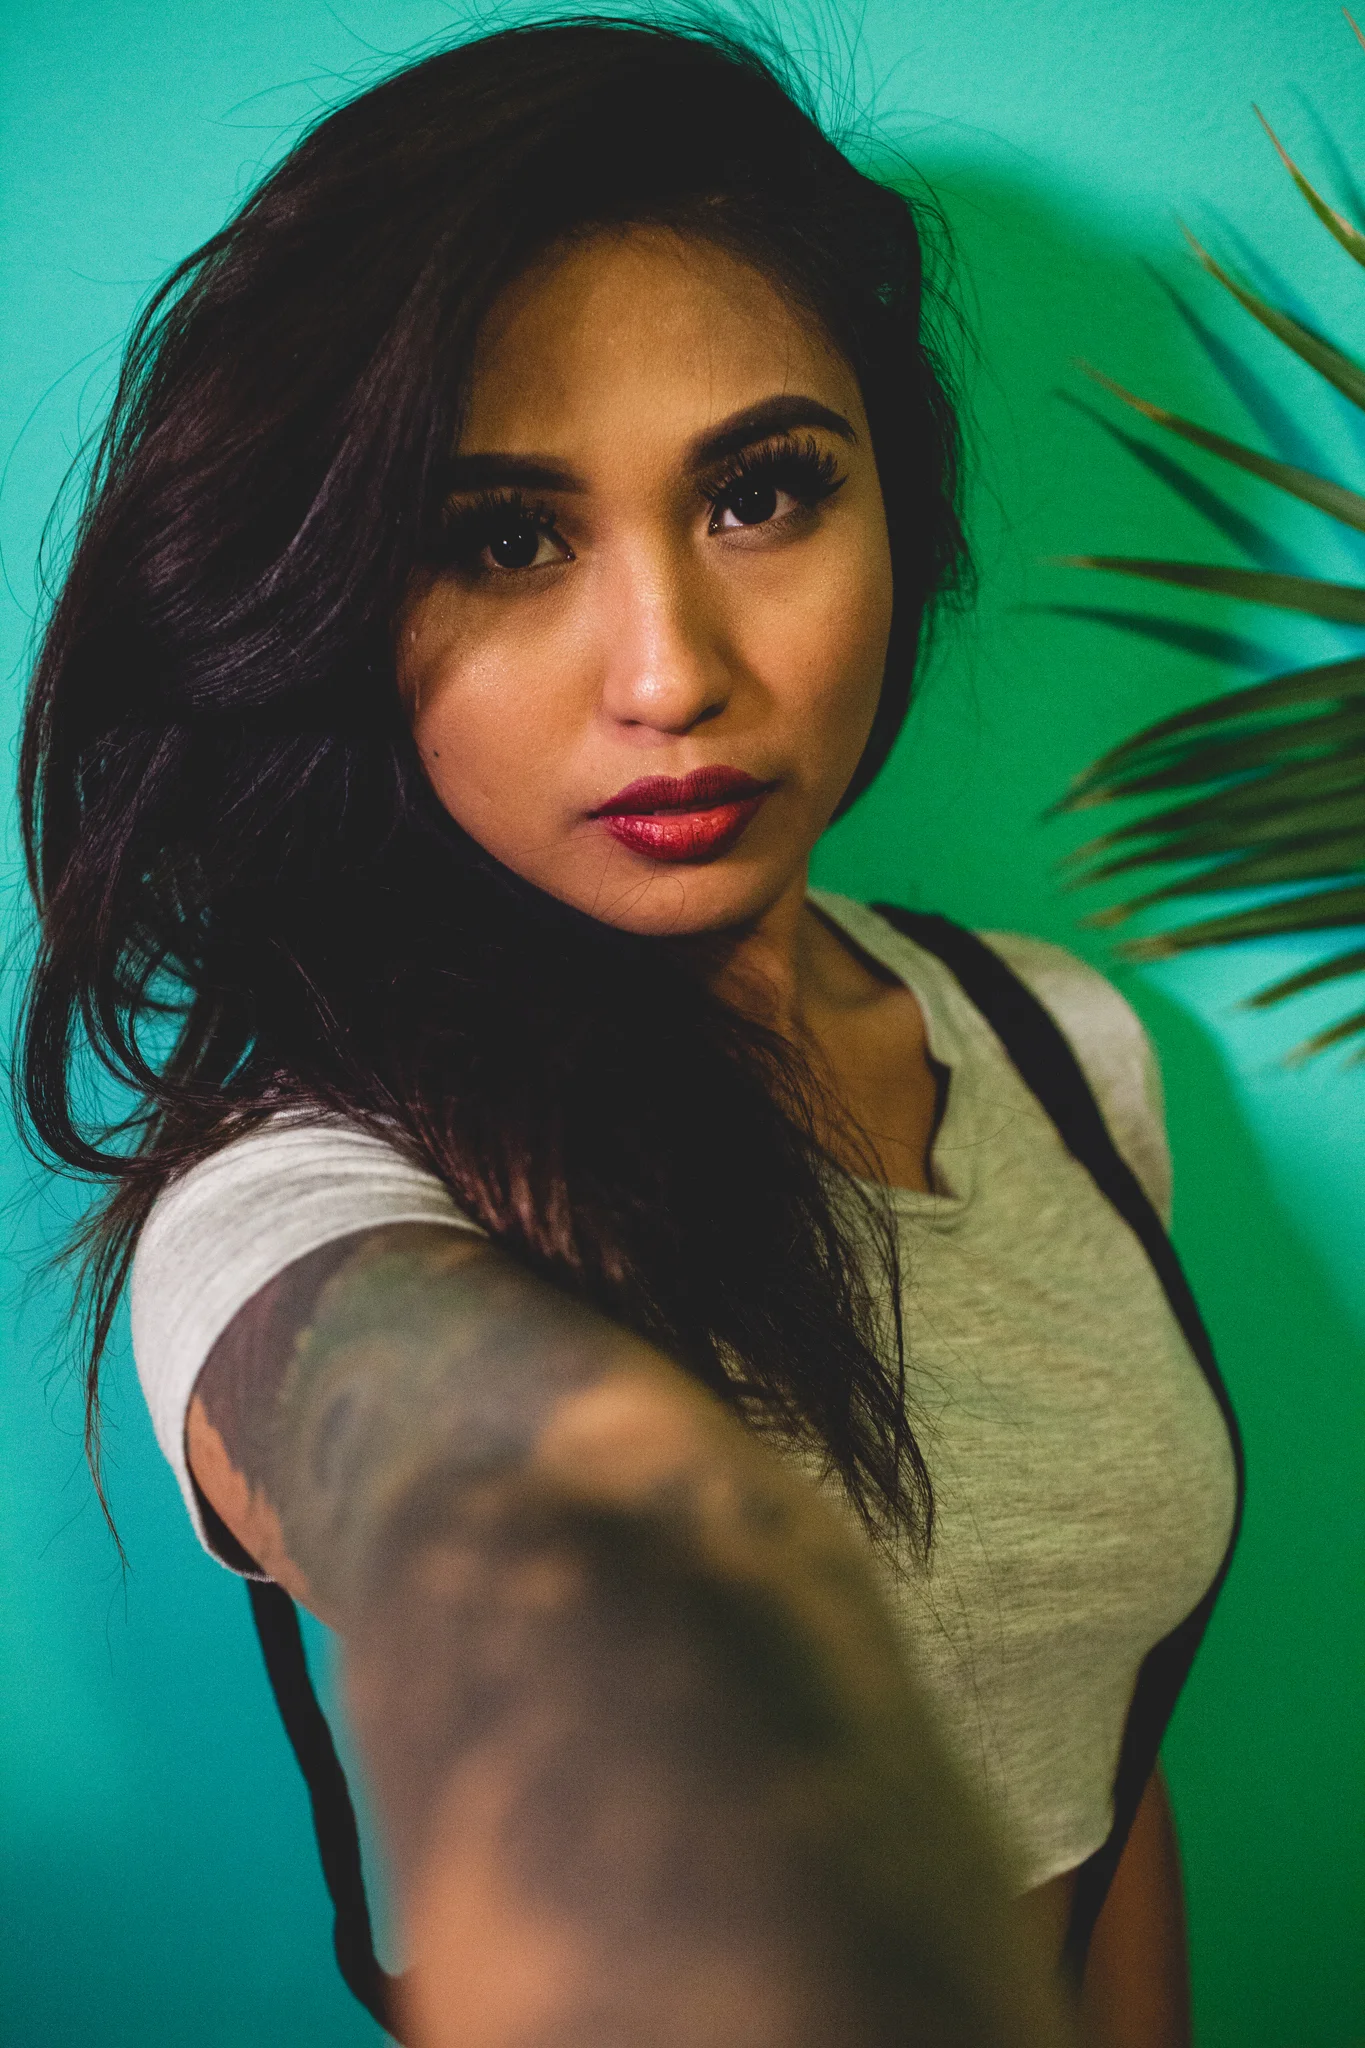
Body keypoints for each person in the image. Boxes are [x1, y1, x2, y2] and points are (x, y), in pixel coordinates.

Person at [17, 16, 1240, 2047]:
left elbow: (1104, 1770)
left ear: (900, 511)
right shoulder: (305, 1185)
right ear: (343, 601)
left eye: (760, 495)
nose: (670, 673)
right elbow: (449, 1464)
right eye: (503, 538)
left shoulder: (1059, 1043)